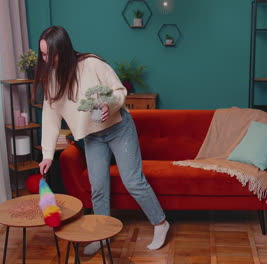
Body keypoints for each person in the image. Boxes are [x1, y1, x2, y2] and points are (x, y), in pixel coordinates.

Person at [34, 26, 169, 253]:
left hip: (118, 128)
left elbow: (118, 91)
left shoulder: (92, 64)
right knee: (98, 187)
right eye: (43, 55)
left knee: (133, 181)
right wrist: (47, 154)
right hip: (92, 137)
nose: (47, 60)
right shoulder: (51, 78)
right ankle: (102, 234)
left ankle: (161, 223)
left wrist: (109, 105)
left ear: (64, 50)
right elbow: (50, 117)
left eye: (52, 54)